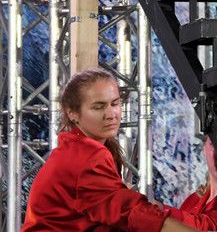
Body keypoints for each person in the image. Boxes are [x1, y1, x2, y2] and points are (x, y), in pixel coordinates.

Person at [22, 68, 204, 232]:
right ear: (73, 113)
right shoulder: (88, 156)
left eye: (115, 104)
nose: (111, 115)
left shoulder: (75, 148)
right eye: (98, 107)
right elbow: (133, 214)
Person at [177, 138, 217, 231]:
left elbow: (208, 225)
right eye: (216, 144)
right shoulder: (193, 199)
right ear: (204, 149)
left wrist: (161, 212)